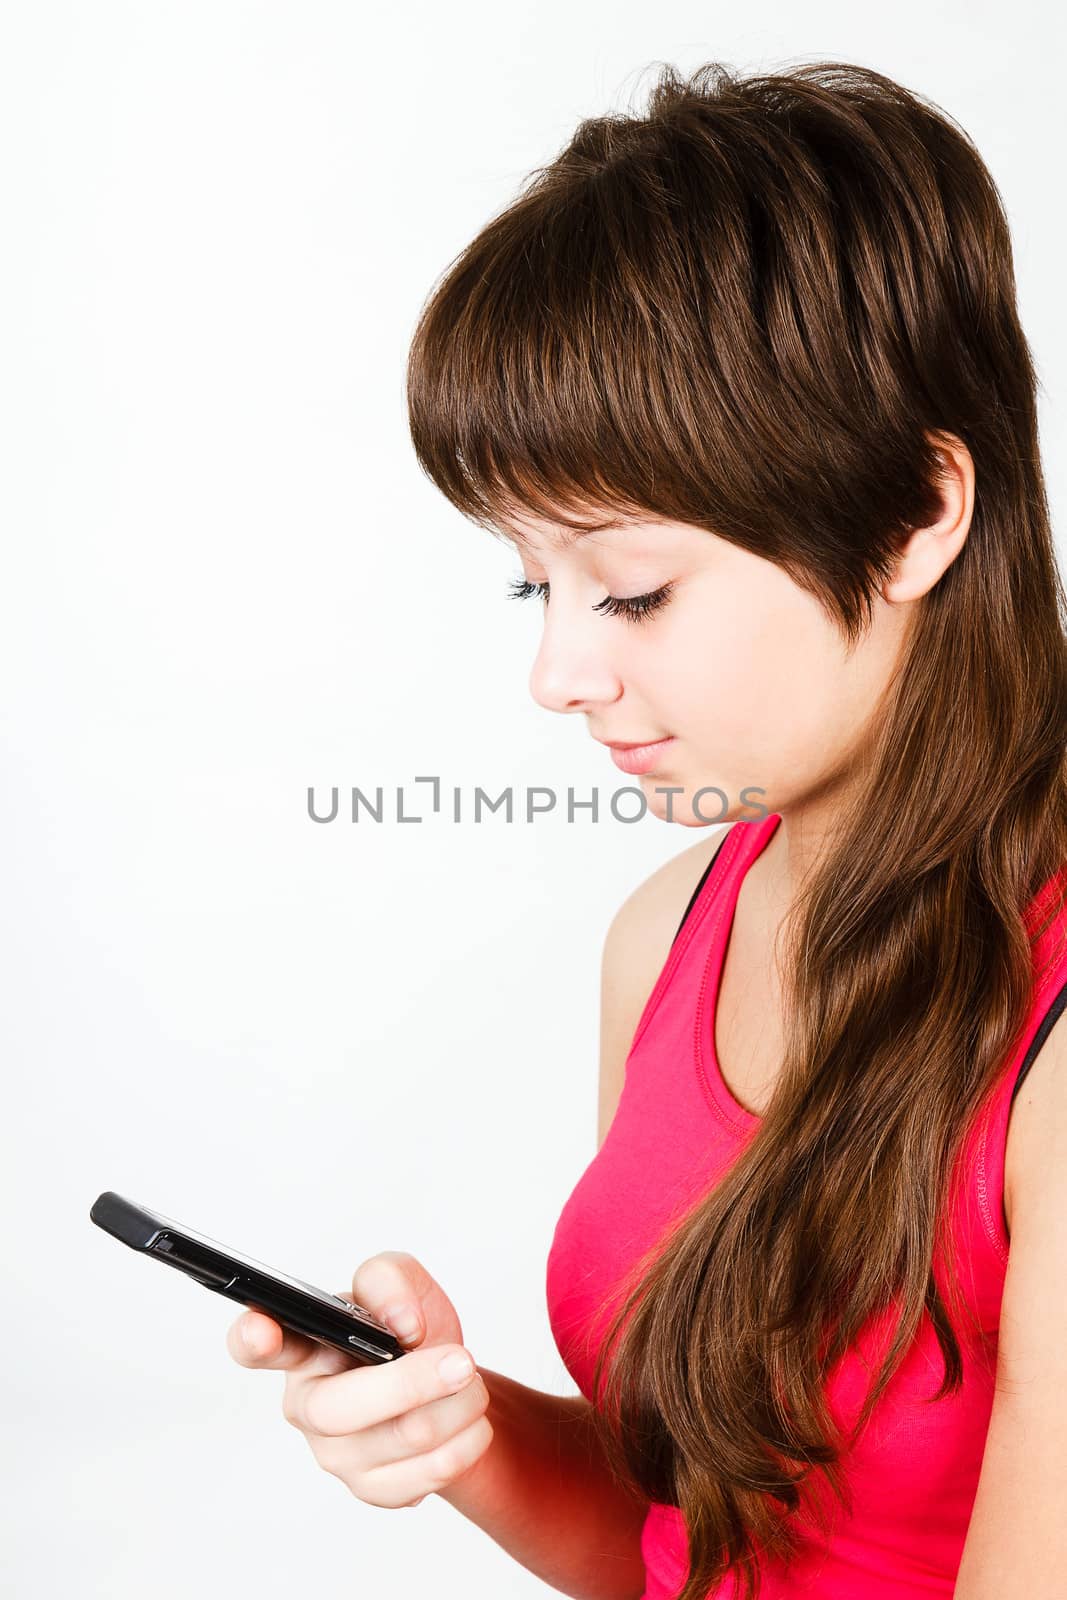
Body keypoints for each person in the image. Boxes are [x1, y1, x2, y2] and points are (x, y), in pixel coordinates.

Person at [227, 59, 1067, 1600]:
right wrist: (462, 1436)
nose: (557, 674)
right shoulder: (673, 931)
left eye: (631, 587)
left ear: (916, 516)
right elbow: (681, 1543)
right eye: (527, 584)